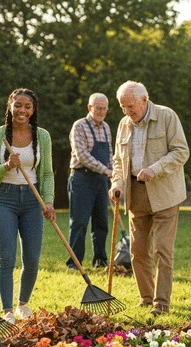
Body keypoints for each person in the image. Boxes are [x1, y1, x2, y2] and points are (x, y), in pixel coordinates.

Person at [109, 80, 189, 315]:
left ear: (144, 100)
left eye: (130, 106)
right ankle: (146, 298)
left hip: (164, 191)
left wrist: (155, 169)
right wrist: (116, 183)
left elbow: (181, 152)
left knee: (162, 250)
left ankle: (161, 303)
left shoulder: (166, 116)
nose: (127, 111)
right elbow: (118, 161)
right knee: (138, 251)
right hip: (136, 193)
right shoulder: (124, 124)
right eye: (122, 107)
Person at [0, 88, 55, 325]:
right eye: (18, 105)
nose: (22, 110)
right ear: (10, 106)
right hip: (5, 200)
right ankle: (7, 310)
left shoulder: (42, 136)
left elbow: (46, 174)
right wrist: (5, 166)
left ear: (33, 110)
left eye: (28, 106)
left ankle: (22, 304)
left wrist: (49, 201)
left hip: (33, 201)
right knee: (7, 258)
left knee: (32, 258)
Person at [66, 93, 113, 270]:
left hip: (101, 181)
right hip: (81, 178)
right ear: (89, 108)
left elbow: (109, 154)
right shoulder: (79, 126)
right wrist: (106, 170)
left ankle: (100, 261)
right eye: (98, 108)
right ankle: (74, 263)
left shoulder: (106, 128)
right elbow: (82, 155)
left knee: (102, 222)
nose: (101, 112)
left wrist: (113, 172)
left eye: (104, 109)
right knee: (79, 223)